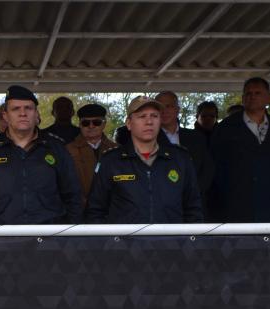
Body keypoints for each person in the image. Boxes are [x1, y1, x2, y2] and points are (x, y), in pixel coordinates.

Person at [0, 85, 82, 225]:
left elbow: (74, 197)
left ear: (36, 114)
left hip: (48, 240)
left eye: (28, 108)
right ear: (5, 116)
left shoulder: (56, 148)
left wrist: (67, 240)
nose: (22, 113)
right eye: (15, 108)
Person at [85, 96, 202, 224]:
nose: (149, 122)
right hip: (124, 243)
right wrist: (110, 244)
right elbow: (95, 211)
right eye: (142, 116)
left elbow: (194, 209)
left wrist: (185, 243)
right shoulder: (111, 161)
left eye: (154, 116)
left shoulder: (180, 159)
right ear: (129, 124)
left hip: (171, 243)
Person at [210, 77, 270, 222]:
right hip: (235, 208)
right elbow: (216, 167)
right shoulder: (225, 128)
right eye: (248, 93)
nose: (252, 96)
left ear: (269, 98)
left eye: (258, 93)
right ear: (242, 98)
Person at [154, 91, 215, 219]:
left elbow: (207, 171)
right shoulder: (149, 139)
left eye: (169, 106)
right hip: (161, 207)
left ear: (177, 110)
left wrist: (192, 193)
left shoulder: (196, 138)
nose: (164, 110)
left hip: (195, 206)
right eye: (160, 107)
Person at [66, 103, 117, 205]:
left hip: (111, 210)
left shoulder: (116, 149)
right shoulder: (67, 150)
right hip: (79, 209)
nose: (91, 126)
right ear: (80, 125)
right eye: (85, 123)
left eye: (96, 122)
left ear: (104, 124)